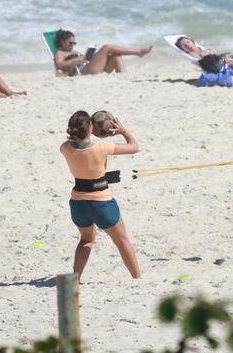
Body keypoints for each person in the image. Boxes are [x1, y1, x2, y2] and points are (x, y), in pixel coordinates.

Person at [60, 111, 141, 279]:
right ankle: (138, 279)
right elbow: (134, 147)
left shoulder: (65, 148)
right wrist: (123, 131)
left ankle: (75, 278)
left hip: (78, 204)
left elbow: (76, 144)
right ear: (90, 128)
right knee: (122, 241)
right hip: (101, 203)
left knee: (86, 240)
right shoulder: (101, 147)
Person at [53, 29, 152, 76]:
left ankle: (123, 77)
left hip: (90, 66)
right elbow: (59, 65)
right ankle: (138, 52)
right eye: (70, 43)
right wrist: (77, 59)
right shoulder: (60, 53)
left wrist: (88, 56)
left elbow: (83, 59)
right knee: (106, 47)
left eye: (74, 43)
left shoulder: (74, 51)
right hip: (84, 71)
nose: (73, 45)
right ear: (62, 41)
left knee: (116, 56)